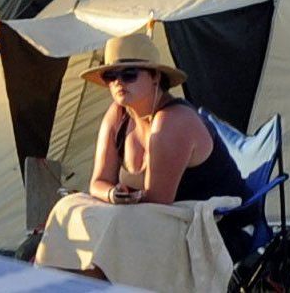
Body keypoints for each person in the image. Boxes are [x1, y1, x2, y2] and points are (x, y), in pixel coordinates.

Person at [79, 25, 247, 234]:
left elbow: (157, 205)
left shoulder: (172, 120)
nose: (118, 82)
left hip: (216, 231)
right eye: (110, 76)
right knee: (70, 210)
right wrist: (112, 194)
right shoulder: (118, 114)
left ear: (155, 77)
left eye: (129, 74)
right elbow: (98, 182)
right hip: (158, 223)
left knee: (106, 233)